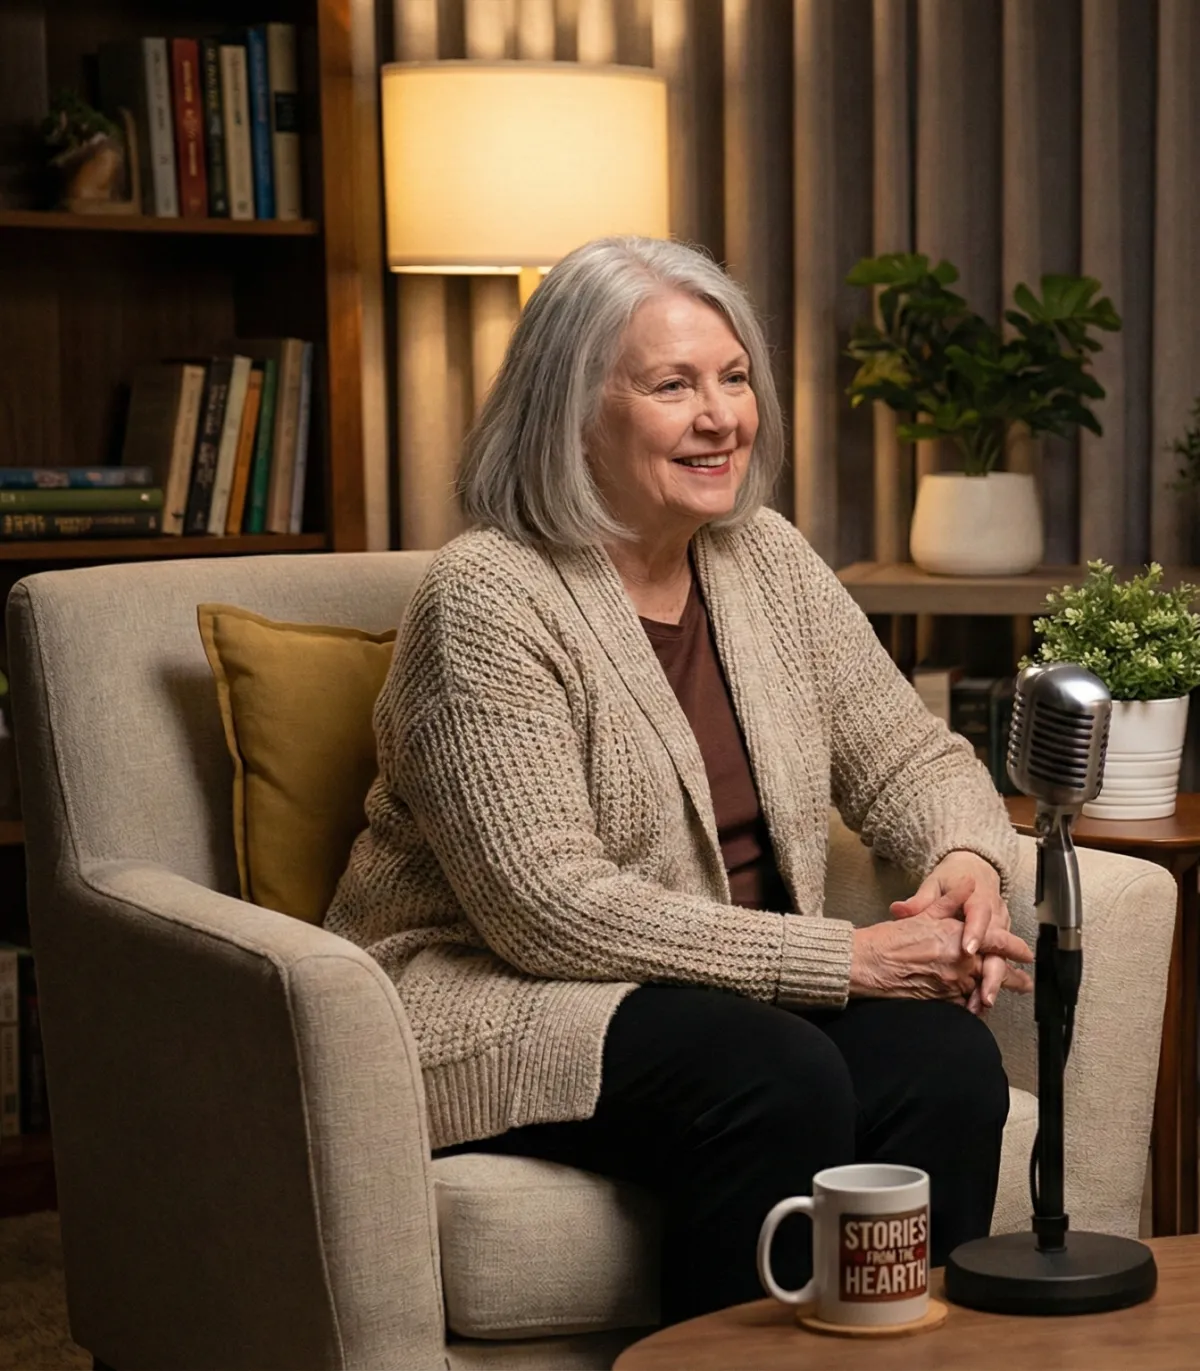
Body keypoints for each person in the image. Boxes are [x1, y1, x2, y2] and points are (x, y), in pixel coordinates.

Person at [324, 235, 1034, 1326]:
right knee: (774, 1074)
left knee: (946, 1062)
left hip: (727, 998)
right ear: (573, 412)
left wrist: (966, 859)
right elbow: (548, 907)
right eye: (672, 386)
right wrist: (845, 957)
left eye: (733, 377)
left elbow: (910, 754)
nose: (721, 418)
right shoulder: (486, 596)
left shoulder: (765, 560)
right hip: (502, 995)